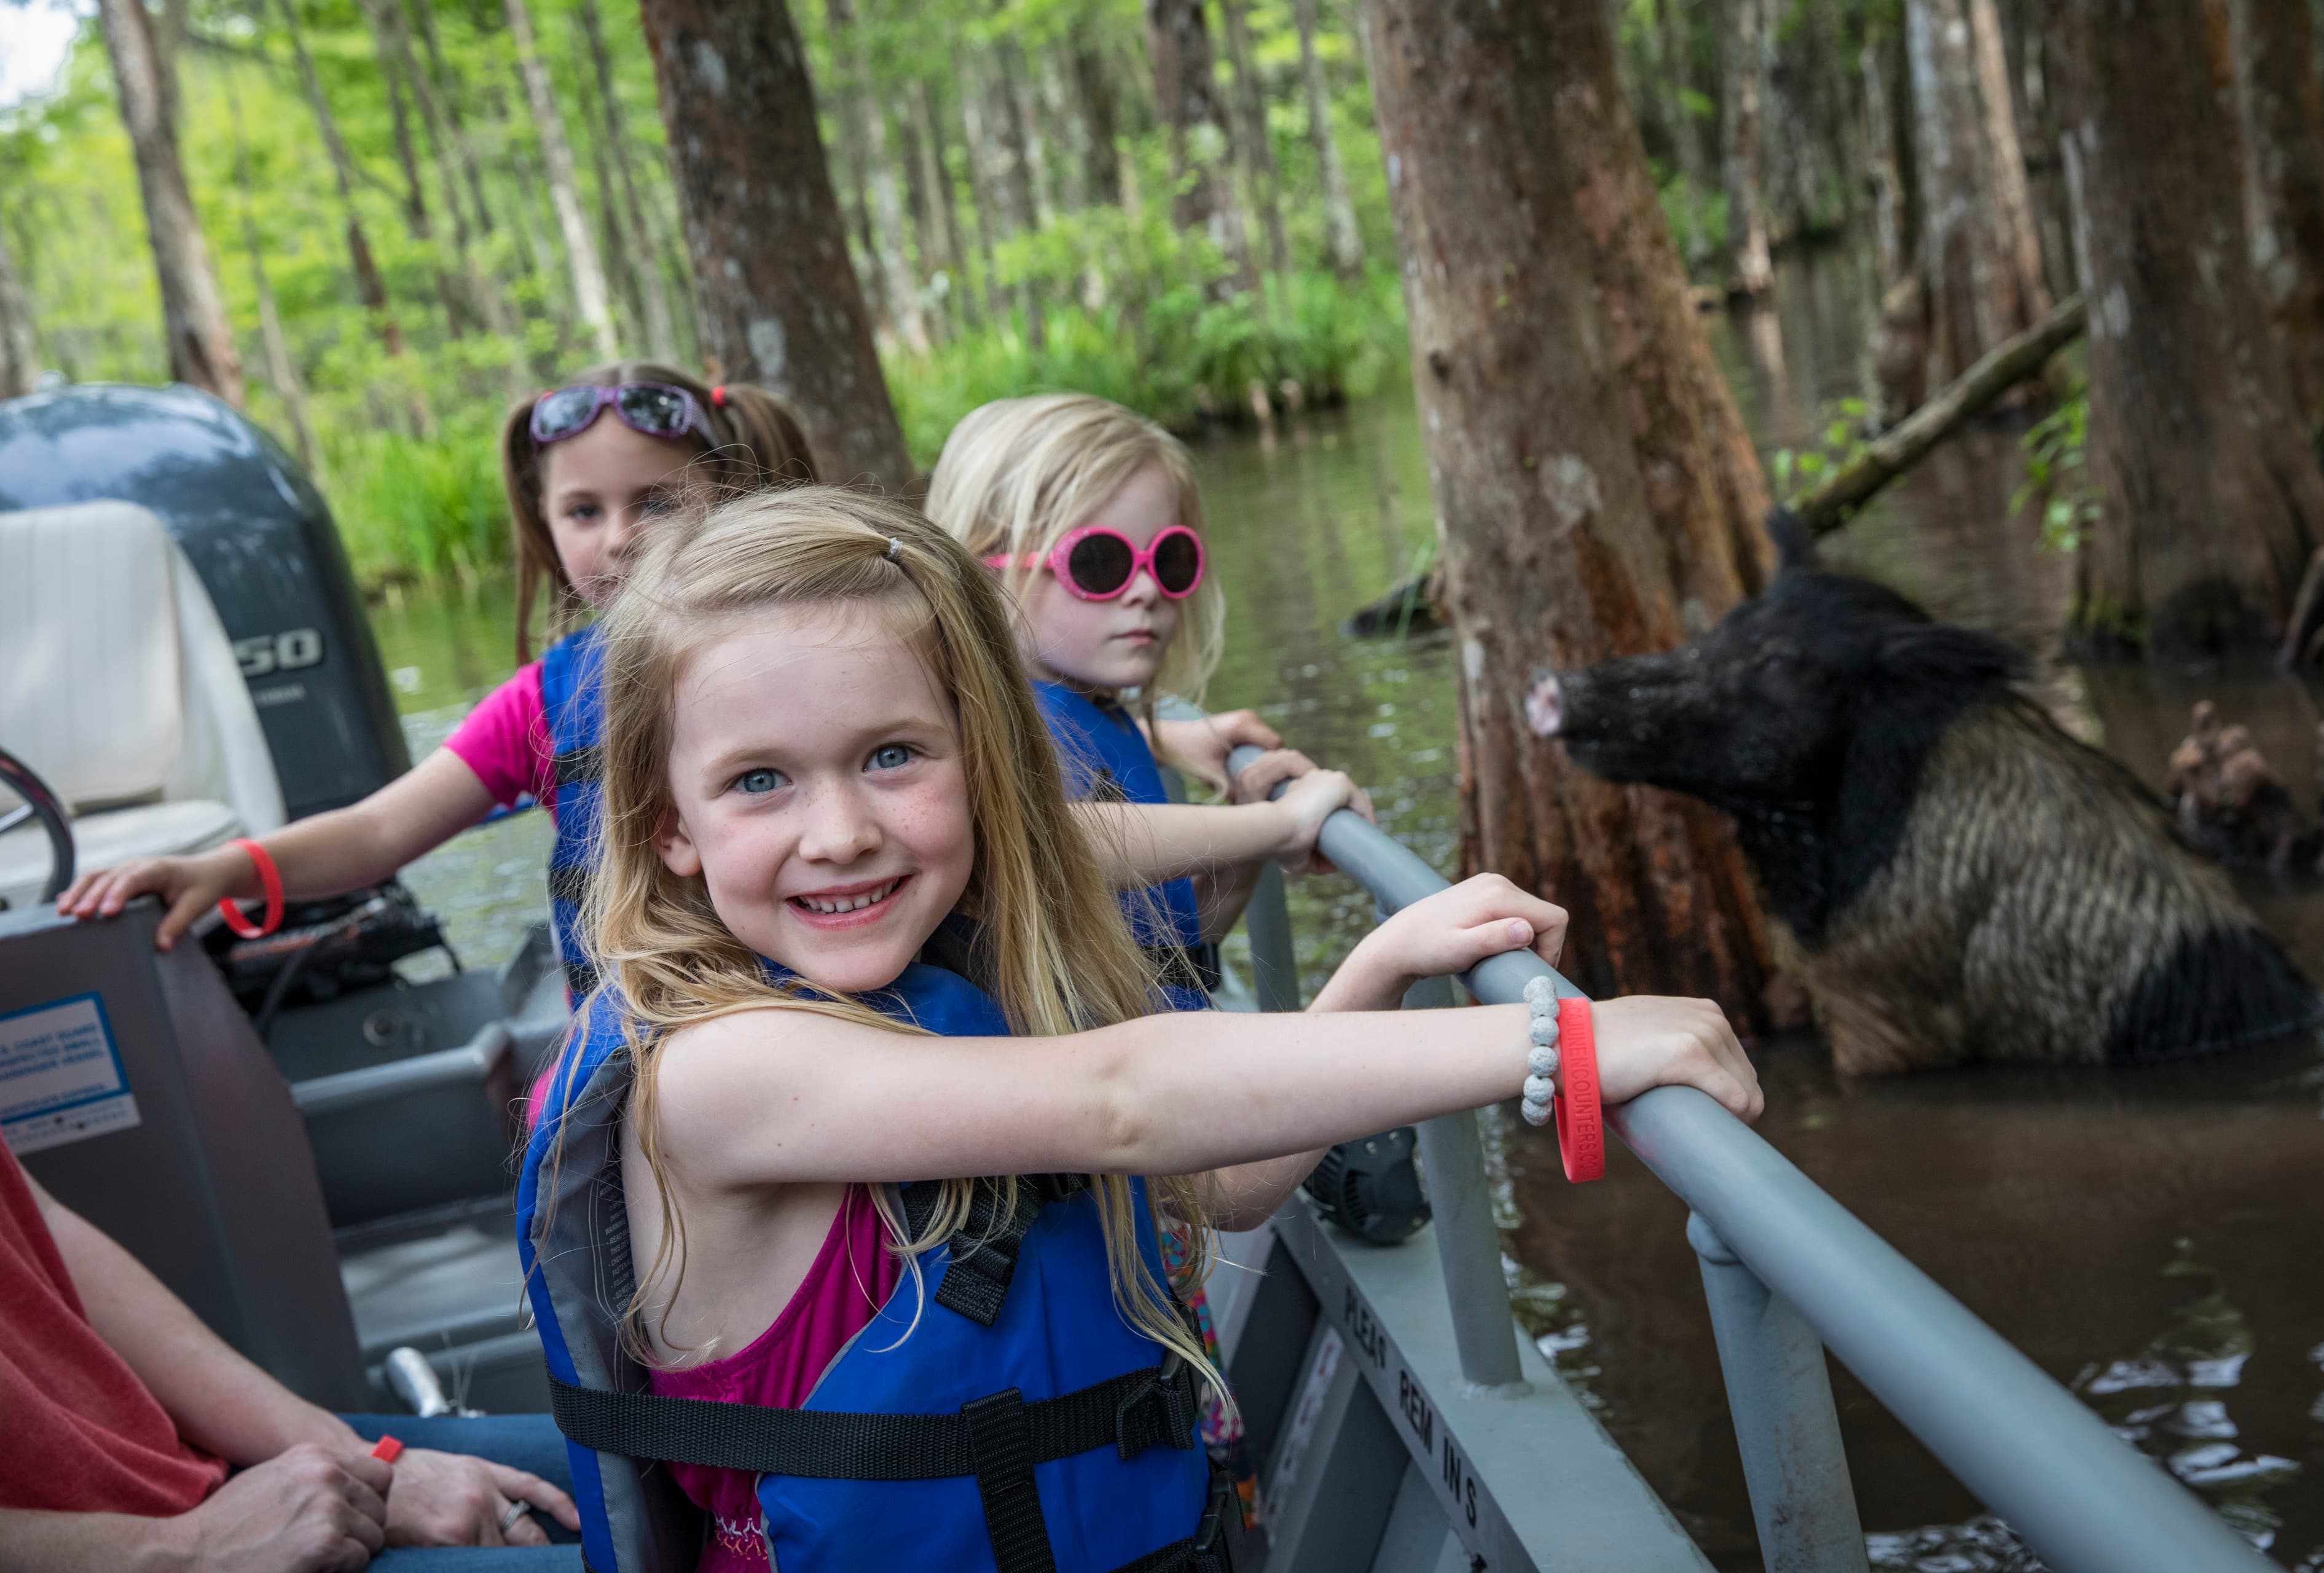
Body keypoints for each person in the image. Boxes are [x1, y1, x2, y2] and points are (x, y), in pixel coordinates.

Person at [519, 491, 1759, 1571]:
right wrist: (1564, 1042)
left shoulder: (927, 968)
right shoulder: (723, 1069)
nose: (839, 830)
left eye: (892, 754)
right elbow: (1126, 1093)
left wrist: (1366, 948)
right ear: (665, 820)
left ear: (982, 762)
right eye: (760, 780)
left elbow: (1220, 1184)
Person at [52, 363, 817, 1011]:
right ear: (543, 523)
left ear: (731, 496)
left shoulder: (811, 653)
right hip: (657, 1037)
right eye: (583, 510)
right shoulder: (540, 705)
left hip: (814, 996)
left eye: (655, 501)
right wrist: (227, 869)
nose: (617, 537)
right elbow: (378, 833)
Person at [928, 392, 1369, 1013]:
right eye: (1099, 562)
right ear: (984, 569)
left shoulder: (1096, 713)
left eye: (1170, 559)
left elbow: (1175, 957)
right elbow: (1047, 839)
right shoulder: (978, 729)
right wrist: (1276, 823)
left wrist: (1242, 853)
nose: (1145, 590)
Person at [0, 1140, 579, 1571]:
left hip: (181, 1466)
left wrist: (362, 1463)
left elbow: (34, 1222)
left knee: (642, 1474)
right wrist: (186, 1551)